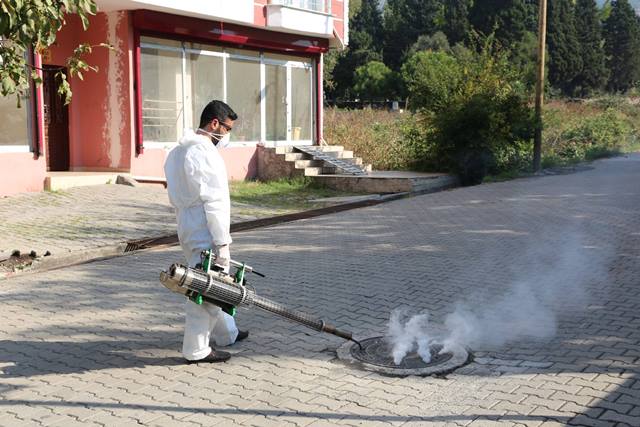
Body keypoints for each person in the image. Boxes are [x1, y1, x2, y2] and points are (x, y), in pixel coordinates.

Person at [164, 100, 248, 364]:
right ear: (214, 124)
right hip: (205, 228)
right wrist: (222, 243)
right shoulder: (206, 154)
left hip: (186, 226)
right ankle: (196, 349)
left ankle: (228, 333)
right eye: (226, 129)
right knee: (208, 290)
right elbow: (216, 203)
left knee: (214, 282)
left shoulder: (177, 152)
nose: (226, 136)